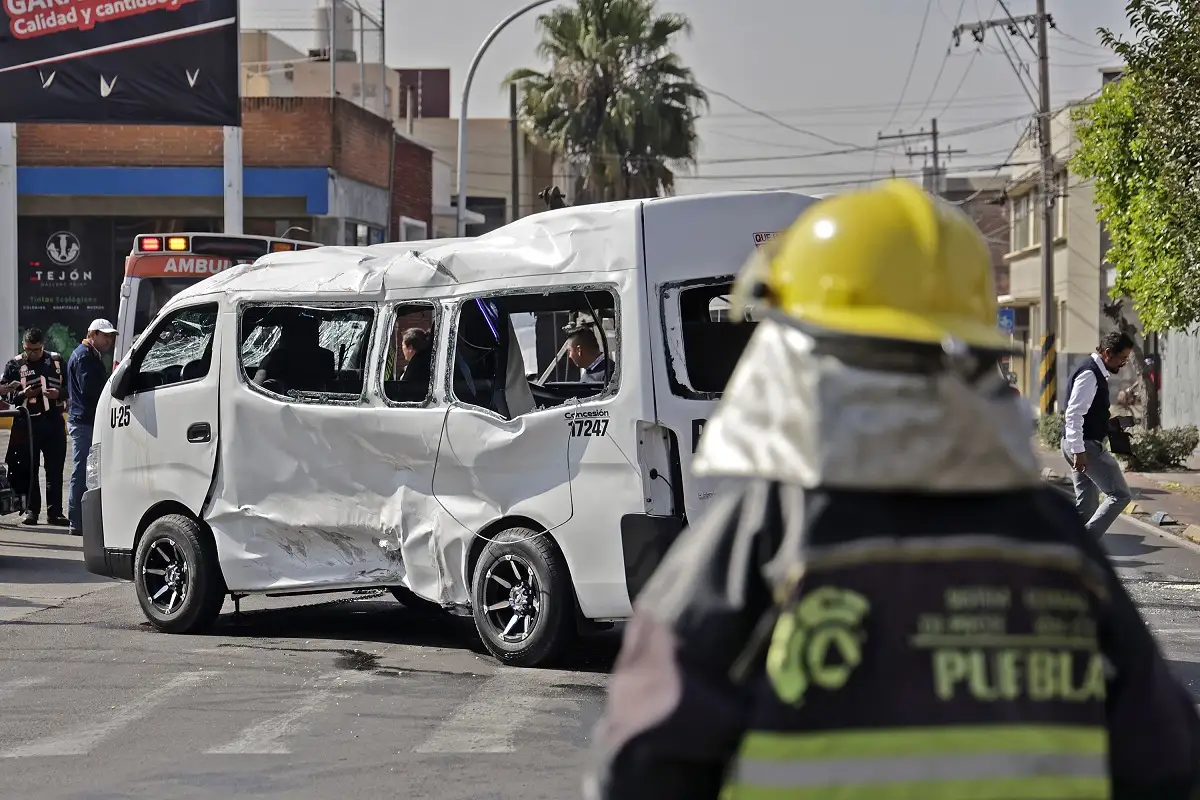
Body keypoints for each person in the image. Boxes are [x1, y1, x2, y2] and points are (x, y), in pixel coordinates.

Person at [584, 180, 1200, 800]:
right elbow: (1167, 765)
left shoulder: (763, 536)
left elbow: (640, 764)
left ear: (796, 350)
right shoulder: (1054, 542)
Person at [1062, 331, 1135, 539]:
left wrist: (1107, 423)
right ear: (1107, 352)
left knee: (1087, 506)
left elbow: (1086, 412)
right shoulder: (1090, 373)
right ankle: (1084, 547)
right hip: (1084, 446)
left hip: (1077, 444)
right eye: (1121, 358)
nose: (1123, 364)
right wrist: (1079, 451)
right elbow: (1074, 413)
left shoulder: (1094, 371)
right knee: (1120, 495)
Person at [1, 328, 68, 526]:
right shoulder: (14, 364)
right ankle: (32, 510)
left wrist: (59, 394)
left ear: (43, 346)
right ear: (23, 346)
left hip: (53, 421)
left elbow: (71, 388)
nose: (32, 354)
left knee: (55, 469)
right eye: (29, 350)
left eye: (36, 350)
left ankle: (55, 512)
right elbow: (7, 396)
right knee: (29, 469)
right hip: (26, 424)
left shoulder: (55, 361)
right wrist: (24, 394)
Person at [65, 319, 117, 537]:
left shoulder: (89, 355)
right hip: (84, 422)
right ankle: (76, 521)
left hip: (86, 421)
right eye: (105, 335)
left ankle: (81, 520)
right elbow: (91, 391)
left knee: (88, 471)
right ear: (92, 334)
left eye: (110, 336)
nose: (109, 340)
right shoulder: (85, 357)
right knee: (82, 471)